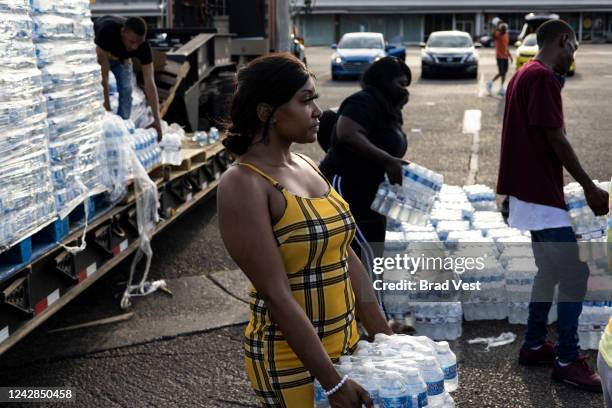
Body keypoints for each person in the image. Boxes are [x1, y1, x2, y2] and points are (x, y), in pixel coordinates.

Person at [217, 53, 393, 408]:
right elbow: (277, 295)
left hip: (347, 347)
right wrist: (332, 381)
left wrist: (385, 339)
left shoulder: (307, 163)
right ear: (267, 112)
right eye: (305, 100)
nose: (318, 111)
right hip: (294, 362)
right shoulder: (243, 183)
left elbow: (347, 258)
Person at [497, 19, 609, 392]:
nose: (571, 57)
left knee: (548, 271)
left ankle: (532, 344)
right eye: (573, 49)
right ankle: (566, 359)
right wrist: (590, 187)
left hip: (526, 190)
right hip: (542, 193)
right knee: (575, 275)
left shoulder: (524, 73)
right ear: (563, 40)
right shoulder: (542, 78)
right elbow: (556, 139)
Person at [319, 57, 411, 280]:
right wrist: (387, 160)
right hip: (348, 184)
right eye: (400, 84)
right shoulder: (363, 101)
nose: (404, 91)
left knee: (373, 244)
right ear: (384, 81)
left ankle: (370, 302)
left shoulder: (388, 108)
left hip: (371, 190)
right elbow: (347, 133)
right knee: (357, 246)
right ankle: (358, 306)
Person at [94, 15, 162, 140]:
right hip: (102, 53)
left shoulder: (143, 47)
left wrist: (157, 120)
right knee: (102, 90)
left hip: (121, 58)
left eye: (139, 43)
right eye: (132, 42)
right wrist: (108, 116)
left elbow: (150, 82)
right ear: (123, 32)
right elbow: (103, 79)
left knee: (126, 89)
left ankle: (123, 128)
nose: (135, 47)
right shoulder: (106, 33)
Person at [486, 22, 513, 96]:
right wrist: (496, 27)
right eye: (502, 29)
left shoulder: (506, 35)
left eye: (505, 29)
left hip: (505, 57)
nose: (504, 30)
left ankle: (501, 88)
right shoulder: (498, 34)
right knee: (502, 72)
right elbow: (493, 36)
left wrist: (510, 56)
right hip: (499, 57)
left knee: (504, 72)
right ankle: (490, 82)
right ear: (500, 29)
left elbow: (506, 46)